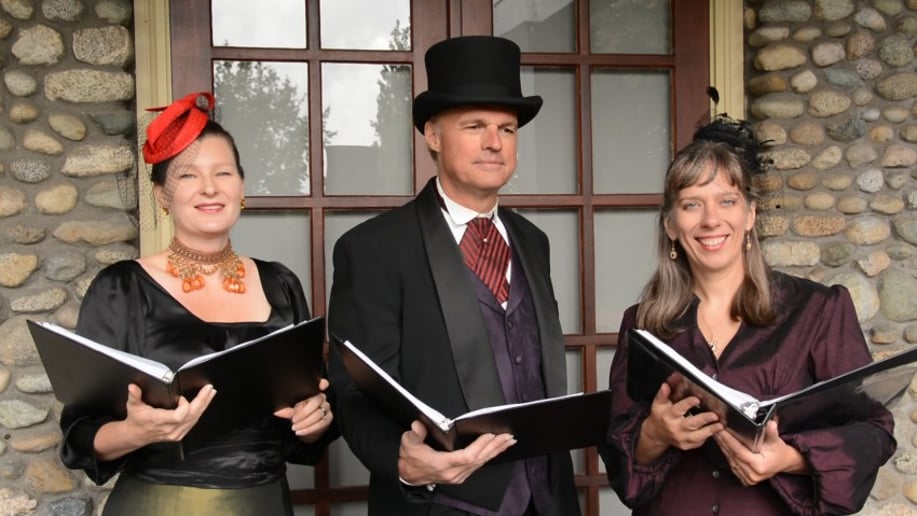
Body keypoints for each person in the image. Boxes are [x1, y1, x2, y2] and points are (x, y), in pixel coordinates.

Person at [327, 36, 580, 515]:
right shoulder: (373, 249)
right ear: (433, 136)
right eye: (475, 125)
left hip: (548, 502)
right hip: (439, 504)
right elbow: (353, 389)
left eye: (507, 129)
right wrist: (402, 461)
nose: (494, 142)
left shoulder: (533, 242)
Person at [600, 114, 896, 515]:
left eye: (727, 201)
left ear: (750, 214)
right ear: (671, 225)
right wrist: (655, 432)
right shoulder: (643, 324)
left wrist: (788, 458)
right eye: (691, 204)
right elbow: (620, 455)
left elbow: (872, 432)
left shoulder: (818, 311)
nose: (710, 220)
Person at [58, 92, 338, 516]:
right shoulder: (121, 288)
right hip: (160, 504)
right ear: (162, 195)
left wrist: (315, 421)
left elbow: (300, 428)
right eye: (188, 176)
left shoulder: (280, 282)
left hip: (265, 503)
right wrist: (136, 431)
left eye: (223, 173)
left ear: (241, 187)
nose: (210, 188)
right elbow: (79, 435)